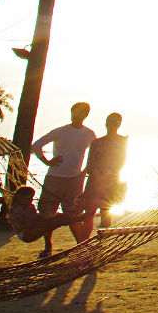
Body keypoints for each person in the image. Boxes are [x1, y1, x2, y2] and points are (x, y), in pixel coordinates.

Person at [31, 102, 96, 256]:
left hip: (74, 179)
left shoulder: (89, 134)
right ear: (71, 112)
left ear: (86, 115)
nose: (77, 115)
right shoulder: (61, 131)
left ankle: (80, 246)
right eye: (75, 112)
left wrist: (84, 172)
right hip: (54, 177)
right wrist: (46, 161)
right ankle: (48, 247)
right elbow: (36, 145)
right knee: (48, 213)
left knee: (73, 214)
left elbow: (96, 154)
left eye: (81, 113)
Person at [6, 186, 90, 256]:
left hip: (35, 229)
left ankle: (73, 218)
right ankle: (75, 218)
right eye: (29, 198)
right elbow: (21, 227)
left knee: (55, 220)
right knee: (53, 222)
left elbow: (37, 218)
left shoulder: (30, 207)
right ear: (20, 198)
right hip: (26, 234)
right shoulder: (15, 210)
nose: (31, 200)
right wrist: (39, 223)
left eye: (31, 198)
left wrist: (43, 221)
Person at [83, 112, 129, 229]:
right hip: (95, 179)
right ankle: (84, 240)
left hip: (110, 180)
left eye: (115, 123)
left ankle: (102, 240)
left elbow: (120, 162)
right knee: (89, 212)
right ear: (106, 124)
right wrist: (96, 174)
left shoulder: (122, 141)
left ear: (119, 125)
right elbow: (90, 163)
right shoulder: (96, 142)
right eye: (110, 122)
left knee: (105, 212)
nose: (112, 125)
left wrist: (105, 174)